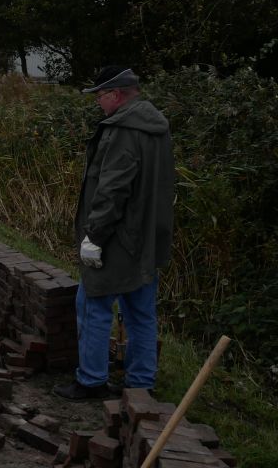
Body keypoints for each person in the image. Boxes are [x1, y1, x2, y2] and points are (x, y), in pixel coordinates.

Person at [54, 66, 174, 401]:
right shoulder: (157, 127)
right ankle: (141, 383)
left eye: (100, 96)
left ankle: (91, 380)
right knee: (141, 312)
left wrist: (94, 236)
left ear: (117, 94)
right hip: (148, 237)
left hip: (118, 238)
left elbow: (112, 190)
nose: (98, 104)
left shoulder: (122, 130)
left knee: (93, 304)